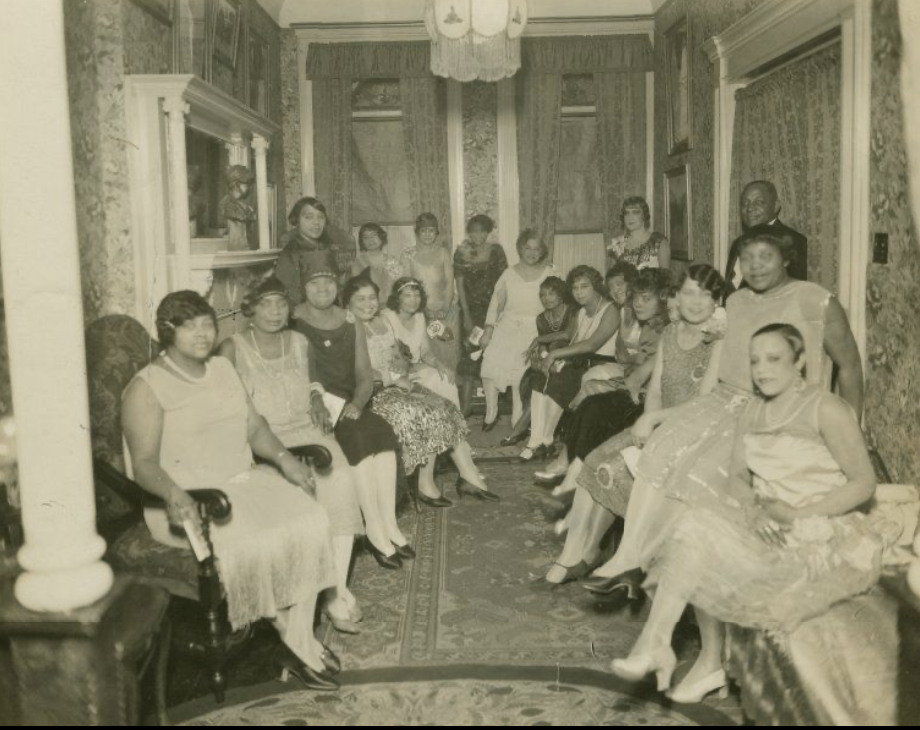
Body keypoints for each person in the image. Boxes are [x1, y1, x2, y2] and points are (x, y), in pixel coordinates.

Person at [582, 227, 863, 698]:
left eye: (765, 255)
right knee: (682, 490)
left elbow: (850, 369)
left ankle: (682, 647)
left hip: (800, 459)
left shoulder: (818, 315)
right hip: (739, 412)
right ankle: (665, 633)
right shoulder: (739, 320)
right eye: (745, 257)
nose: (754, 265)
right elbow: (735, 446)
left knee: (698, 516)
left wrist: (851, 431)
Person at [611, 324, 884, 704]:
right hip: (769, 522)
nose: (762, 370)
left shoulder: (827, 408)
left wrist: (799, 513)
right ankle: (660, 645)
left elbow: (863, 483)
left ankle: (694, 658)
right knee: (695, 524)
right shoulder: (753, 410)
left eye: (774, 359)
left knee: (703, 543)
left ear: (800, 361)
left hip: (824, 529)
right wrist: (756, 513)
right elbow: (739, 478)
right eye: (755, 361)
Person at [122, 291, 340, 691]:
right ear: (167, 332)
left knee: (312, 520)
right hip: (189, 501)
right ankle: (299, 640)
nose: (202, 334)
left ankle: (295, 637)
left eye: (207, 323)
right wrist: (174, 495)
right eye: (189, 326)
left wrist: (286, 461)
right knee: (257, 540)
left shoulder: (222, 368)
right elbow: (145, 465)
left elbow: (255, 429)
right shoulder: (147, 387)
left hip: (243, 483)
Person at [544, 266, 724, 585]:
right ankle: (572, 555)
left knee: (613, 468)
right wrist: (649, 420)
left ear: (717, 300)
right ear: (677, 297)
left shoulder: (717, 339)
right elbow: (654, 390)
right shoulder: (670, 333)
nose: (695, 302)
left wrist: (655, 422)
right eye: (689, 293)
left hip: (695, 430)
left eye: (705, 295)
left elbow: (705, 404)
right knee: (594, 460)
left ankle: (595, 555)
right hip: (659, 423)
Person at [218, 277, 364, 634]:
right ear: (250, 310)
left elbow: (313, 381)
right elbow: (229, 408)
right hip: (265, 439)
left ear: (290, 309)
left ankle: (335, 591)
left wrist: (316, 399)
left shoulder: (300, 341)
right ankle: (297, 596)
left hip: (308, 429)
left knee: (342, 482)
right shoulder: (232, 348)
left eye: (280, 304)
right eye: (265, 304)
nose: (274, 312)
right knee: (295, 500)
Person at [290, 263, 407, 571]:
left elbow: (364, 374)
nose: (322, 289)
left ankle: (389, 524)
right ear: (303, 288)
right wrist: (325, 404)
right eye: (314, 284)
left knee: (381, 432)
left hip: (348, 401)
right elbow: (300, 378)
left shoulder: (349, 320)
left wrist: (357, 401)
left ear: (336, 286)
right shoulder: (294, 322)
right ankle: (373, 530)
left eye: (328, 282)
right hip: (315, 404)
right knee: (357, 438)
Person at [345, 276, 498, 506]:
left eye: (372, 298)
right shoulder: (349, 328)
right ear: (347, 302)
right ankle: (429, 484)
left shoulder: (380, 323)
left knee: (443, 405)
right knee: (430, 412)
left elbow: (399, 357)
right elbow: (360, 373)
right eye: (361, 299)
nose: (368, 304)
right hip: (372, 393)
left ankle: (465, 476)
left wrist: (402, 369)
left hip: (397, 383)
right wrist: (396, 377)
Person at [520, 266, 620, 462]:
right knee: (541, 374)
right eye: (575, 288)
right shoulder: (582, 312)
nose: (579, 292)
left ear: (596, 287)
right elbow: (569, 335)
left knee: (562, 377)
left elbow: (592, 344)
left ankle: (546, 440)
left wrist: (555, 353)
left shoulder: (610, 310)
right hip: (580, 361)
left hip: (600, 363)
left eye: (585, 287)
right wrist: (542, 343)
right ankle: (535, 441)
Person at [480, 229, 558, 431]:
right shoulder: (509, 273)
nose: (531, 252)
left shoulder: (551, 272)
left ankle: (517, 419)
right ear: (520, 249)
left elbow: (560, 304)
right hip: (507, 326)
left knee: (519, 376)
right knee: (490, 367)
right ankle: (491, 414)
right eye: (527, 247)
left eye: (536, 249)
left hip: (536, 329)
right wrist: (488, 330)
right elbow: (495, 303)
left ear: (542, 252)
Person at [454, 214, 508, 416]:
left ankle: (492, 409)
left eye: (482, 230)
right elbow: (459, 285)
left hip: (493, 311)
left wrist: (500, 313)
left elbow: (504, 283)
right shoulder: (461, 252)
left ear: (488, 232)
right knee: (470, 357)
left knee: (493, 357)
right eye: (474, 230)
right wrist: (466, 316)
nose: (478, 234)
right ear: (469, 232)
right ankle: (465, 409)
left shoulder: (497, 251)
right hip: (471, 312)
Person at [400, 213, 460, 374]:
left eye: (432, 230)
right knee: (427, 356)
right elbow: (406, 286)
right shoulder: (408, 254)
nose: (428, 234)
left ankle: (451, 395)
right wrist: (421, 310)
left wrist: (445, 309)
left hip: (446, 314)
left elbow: (449, 282)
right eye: (424, 230)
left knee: (448, 357)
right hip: (420, 314)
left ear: (437, 233)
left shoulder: (443, 252)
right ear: (417, 232)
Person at [724, 180, 808, 290]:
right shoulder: (737, 244)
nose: (750, 208)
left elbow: (794, 292)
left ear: (776, 206)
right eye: (745, 203)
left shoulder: (794, 241)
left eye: (758, 202)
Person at [276, 197, 355, 304]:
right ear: (296, 219)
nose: (316, 222)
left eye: (321, 217)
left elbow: (337, 285)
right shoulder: (290, 253)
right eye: (308, 217)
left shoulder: (328, 248)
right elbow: (288, 294)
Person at [605, 196, 670, 272]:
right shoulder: (617, 244)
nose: (630, 217)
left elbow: (666, 279)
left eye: (635, 212)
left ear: (644, 216)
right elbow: (611, 279)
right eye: (626, 213)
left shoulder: (659, 242)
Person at [350, 223, 404, 303]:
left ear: (381, 237)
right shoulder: (358, 262)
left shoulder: (392, 261)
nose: (370, 240)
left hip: (390, 305)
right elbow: (356, 289)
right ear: (362, 241)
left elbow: (399, 285)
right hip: (367, 304)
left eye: (373, 236)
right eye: (365, 237)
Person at [219, 165, 256, 251]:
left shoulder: (242, 204)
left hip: (244, 248)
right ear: (236, 185)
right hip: (236, 251)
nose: (248, 188)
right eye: (246, 184)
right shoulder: (228, 204)